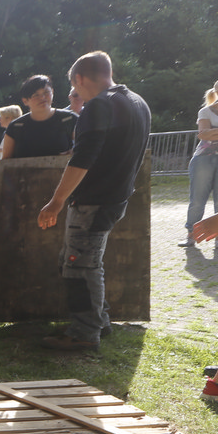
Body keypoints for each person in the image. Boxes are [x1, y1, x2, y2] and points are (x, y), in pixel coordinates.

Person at [37, 51, 151, 351]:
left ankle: (84, 334)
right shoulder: (137, 102)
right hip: (116, 197)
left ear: (79, 78)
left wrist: (56, 201)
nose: (77, 93)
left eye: (75, 86)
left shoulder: (99, 105)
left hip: (95, 200)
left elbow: (84, 157)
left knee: (80, 266)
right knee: (81, 261)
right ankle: (98, 321)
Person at [181, 79, 218, 248]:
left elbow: (208, 133)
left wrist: (213, 131)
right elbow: (203, 134)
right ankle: (191, 235)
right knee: (197, 200)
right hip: (203, 159)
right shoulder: (205, 111)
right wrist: (208, 132)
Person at [2, 75, 79, 160]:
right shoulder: (15, 127)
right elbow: (5, 161)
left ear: (52, 92)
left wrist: (73, 152)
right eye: (36, 95)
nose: (42, 98)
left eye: (46, 92)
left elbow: (86, 148)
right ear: (25, 101)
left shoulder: (70, 119)